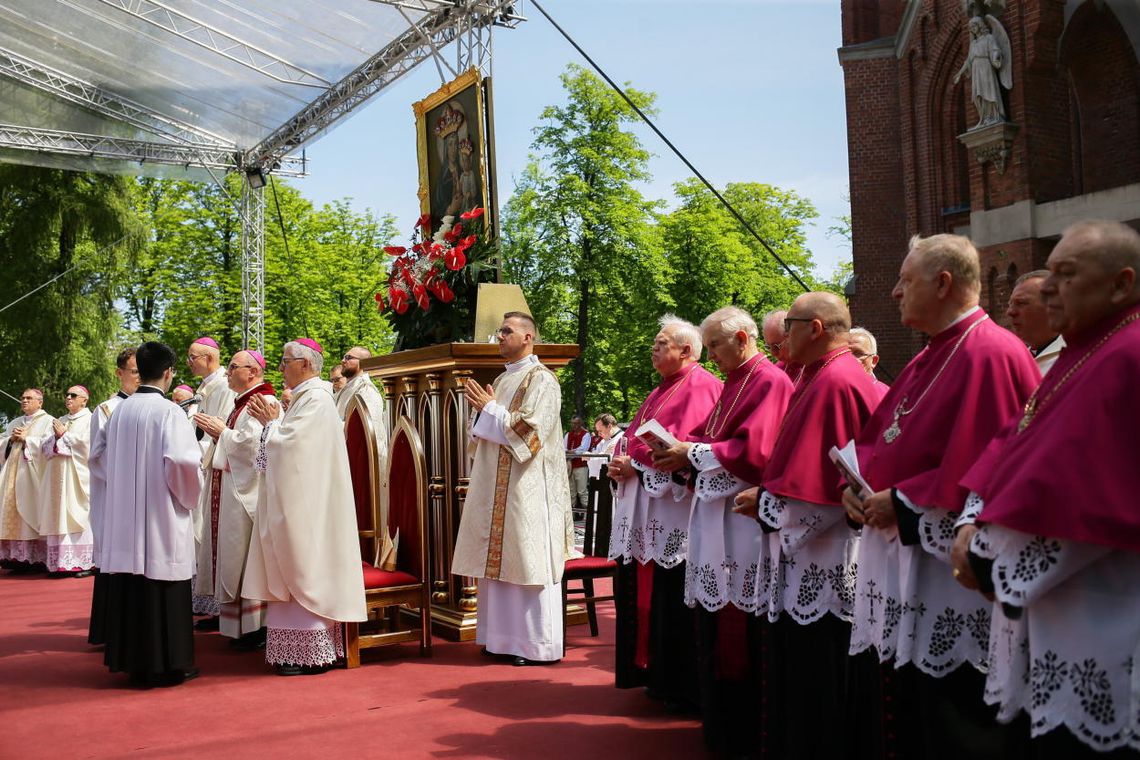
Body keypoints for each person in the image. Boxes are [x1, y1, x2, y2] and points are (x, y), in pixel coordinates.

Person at [841, 233, 1040, 759]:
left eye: (905, 280)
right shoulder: (929, 355)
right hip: (902, 560)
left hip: (946, 572)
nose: (893, 292)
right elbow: (881, 439)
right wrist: (853, 488)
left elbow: (988, 466)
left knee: (952, 716)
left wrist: (902, 502)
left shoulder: (991, 353)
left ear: (944, 282)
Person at [955, 220, 1140, 757]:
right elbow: (1011, 450)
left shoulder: (1125, 355)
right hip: (1055, 613)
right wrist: (971, 522)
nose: (1050, 287)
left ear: (1120, 284)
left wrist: (986, 555)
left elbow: (1096, 495)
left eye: (1066, 274)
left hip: (1104, 620)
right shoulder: (1084, 352)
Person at [735, 293, 881, 758]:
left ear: (815, 328)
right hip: (810, 554)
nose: (782, 338)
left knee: (818, 678)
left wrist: (768, 502)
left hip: (827, 558)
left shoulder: (836, 380)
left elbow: (823, 487)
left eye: (791, 325)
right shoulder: (820, 375)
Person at [651, 306, 793, 756]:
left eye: (715, 345)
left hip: (743, 521)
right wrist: (682, 451)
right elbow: (710, 437)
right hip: (718, 517)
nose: (710, 356)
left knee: (738, 619)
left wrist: (690, 454)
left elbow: (754, 448)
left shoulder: (767, 380)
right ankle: (720, 723)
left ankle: (739, 729)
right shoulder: (735, 382)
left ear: (743, 339)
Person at [607, 314, 722, 710]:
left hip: (675, 514)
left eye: (661, 343)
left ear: (687, 350)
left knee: (671, 597)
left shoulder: (703, 385)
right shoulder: (662, 389)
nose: (653, 349)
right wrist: (626, 464)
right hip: (647, 508)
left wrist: (636, 465)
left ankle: (678, 683)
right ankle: (655, 674)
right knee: (647, 595)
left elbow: (688, 449)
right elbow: (639, 441)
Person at [452, 312, 575, 666]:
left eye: (507, 331)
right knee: (503, 562)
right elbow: (488, 431)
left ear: (528, 337)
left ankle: (532, 645)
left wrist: (489, 411)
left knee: (526, 558)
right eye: (499, 331)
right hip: (497, 486)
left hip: (528, 487)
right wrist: (483, 417)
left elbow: (532, 434)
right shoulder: (505, 381)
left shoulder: (544, 381)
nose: (500, 336)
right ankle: (501, 639)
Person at [243, 339, 366, 676]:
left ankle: (309, 652)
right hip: (299, 501)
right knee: (292, 563)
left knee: (304, 563)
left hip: (310, 507)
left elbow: (294, 450)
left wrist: (271, 426)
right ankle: (297, 650)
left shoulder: (317, 400)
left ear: (306, 364)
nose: (281, 367)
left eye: (285, 361)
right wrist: (274, 427)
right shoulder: (305, 398)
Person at [93, 341, 203, 687]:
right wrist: (188, 496)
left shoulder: (119, 411)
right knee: (162, 583)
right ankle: (169, 663)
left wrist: (126, 486)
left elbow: (100, 459)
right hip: (160, 513)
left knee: (131, 587)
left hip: (126, 516)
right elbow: (184, 462)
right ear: (168, 373)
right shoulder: (170, 413)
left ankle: (133, 662)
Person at [191, 350, 276, 650]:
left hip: (245, 496)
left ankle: (254, 628)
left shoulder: (262, 402)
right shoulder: (244, 402)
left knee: (244, 558)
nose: (227, 372)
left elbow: (253, 449)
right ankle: (239, 626)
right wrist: (222, 435)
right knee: (232, 555)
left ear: (252, 372)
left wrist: (221, 433)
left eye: (233, 367)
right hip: (231, 490)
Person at [87, 347, 139, 646]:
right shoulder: (106, 410)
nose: (138, 377)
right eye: (133, 372)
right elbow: (97, 458)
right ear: (119, 374)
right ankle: (110, 631)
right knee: (115, 561)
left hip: (142, 498)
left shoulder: (154, 405)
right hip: (115, 497)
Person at [186, 336, 236, 622]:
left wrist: (196, 450)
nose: (189, 362)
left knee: (211, 532)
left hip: (214, 465)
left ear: (209, 358)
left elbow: (221, 431)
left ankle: (219, 604)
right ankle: (208, 599)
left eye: (193, 357)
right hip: (204, 465)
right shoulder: (205, 388)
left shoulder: (223, 388)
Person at [37, 385, 95, 576]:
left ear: (84, 400)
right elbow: (43, 446)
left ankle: (82, 562)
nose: (68, 398)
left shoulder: (91, 419)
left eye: (73, 395)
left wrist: (64, 435)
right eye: (67, 394)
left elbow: (90, 445)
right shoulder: (60, 420)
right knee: (59, 515)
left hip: (77, 478)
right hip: (57, 477)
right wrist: (54, 437)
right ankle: (58, 562)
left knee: (76, 514)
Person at [0, 388, 54, 570]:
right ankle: (15, 558)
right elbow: (2, 443)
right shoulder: (15, 422)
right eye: (22, 397)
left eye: (29, 398)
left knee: (31, 511)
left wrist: (28, 439)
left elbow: (51, 447)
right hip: (11, 477)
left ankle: (36, 558)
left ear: (40, 402)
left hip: (33, 478)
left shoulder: (48, 422)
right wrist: (9, 440)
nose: (24, 400)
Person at [1006, 269, 1065, 375]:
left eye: (1021, 303)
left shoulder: (1075, 359)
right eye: (1010, 304)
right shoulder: (1015, 358)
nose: (1010, 312)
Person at [849, 326, 891, 398]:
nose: (850, 358)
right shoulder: (830, 390)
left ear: (874, 361)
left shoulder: (886, 395)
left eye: (858, 353)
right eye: (845, 353)